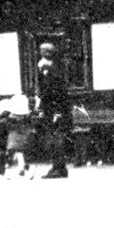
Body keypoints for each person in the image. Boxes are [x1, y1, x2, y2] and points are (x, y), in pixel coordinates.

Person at [37, 41, 72, 179]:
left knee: (55, 139)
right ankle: (58, 167)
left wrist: (56, 111)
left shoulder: (50, 72)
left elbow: (52, 92)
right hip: (56, 109)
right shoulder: (55, 69)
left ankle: (58, 168)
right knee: (55, 138)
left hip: (55, 110)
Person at [2, 94, 34, 178]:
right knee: (21, 153)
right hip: (23, 137)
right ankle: (24, 169)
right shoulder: (26, 117)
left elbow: (7, 125)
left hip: (13, 138)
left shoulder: (11, 117)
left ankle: (8, 172)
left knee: (10, 154)